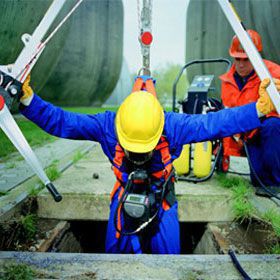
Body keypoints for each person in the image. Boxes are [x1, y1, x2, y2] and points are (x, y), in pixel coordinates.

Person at [20, 74, 278, 254]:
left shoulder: (173, 126)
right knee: (112, 257)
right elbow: (63, 121)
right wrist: (28, 102)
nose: (138, 155)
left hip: (162, 199)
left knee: (169, 257)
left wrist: (257, 110)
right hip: (124, 196)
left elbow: (215, 124)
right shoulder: (107, 125)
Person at [220, 29, 280, 197]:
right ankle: (266, 181)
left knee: (273, 126)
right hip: (248, 136)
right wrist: (228, 160)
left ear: (256, 56)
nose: (240, 64)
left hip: (271, 133)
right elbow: (229, 120)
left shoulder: (274, 73)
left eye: (246, 59)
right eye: (237, 59)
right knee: (257, 180)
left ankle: (276, 183)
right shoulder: (227, 82)